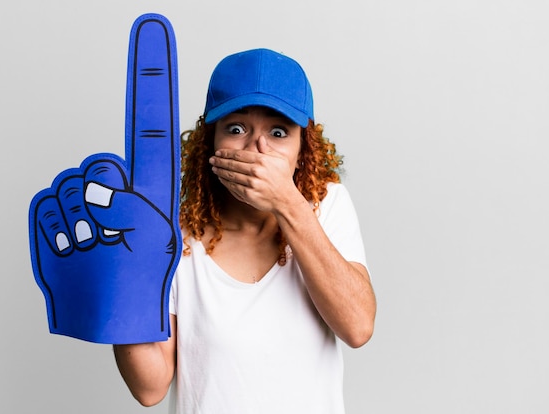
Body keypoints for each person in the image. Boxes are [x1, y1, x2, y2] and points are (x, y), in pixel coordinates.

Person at [113, 48, 376, 413]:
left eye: (279, 132)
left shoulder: (325, 205)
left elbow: (358, 326)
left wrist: (287, 203)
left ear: (303, 149)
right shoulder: (173, 234)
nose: (258, 149)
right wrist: (120, 290)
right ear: (210, 142)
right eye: (236, 129)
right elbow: (149, 388)